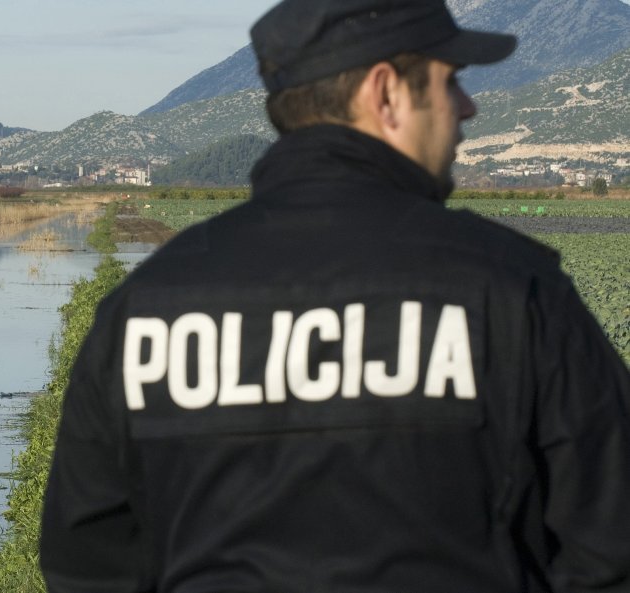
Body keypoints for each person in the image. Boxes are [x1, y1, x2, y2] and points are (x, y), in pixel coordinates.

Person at [39, 0, 630, 591]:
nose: (467, 107)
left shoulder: (144, 306)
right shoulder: (512, 286)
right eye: (449, 82)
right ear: (386, 92)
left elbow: (85, 562)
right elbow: (608, 544)